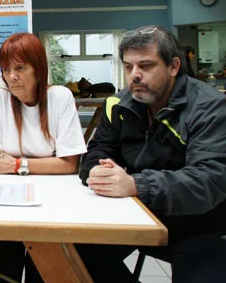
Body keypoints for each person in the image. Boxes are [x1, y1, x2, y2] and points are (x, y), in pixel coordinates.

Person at [78, 26, 226, 282]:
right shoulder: (119, 103)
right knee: (72, 251)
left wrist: (136, 185)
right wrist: (97, 171)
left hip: (200, 224)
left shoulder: (210, 107)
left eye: (146, 66)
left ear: (173, 66)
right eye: (128, 67)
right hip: (138, 214)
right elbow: (98, 150)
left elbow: (208, 179)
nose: (135, 75)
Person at [0, 32, 87, 283]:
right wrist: (47, 162)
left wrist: (15, 163)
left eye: (20, 68)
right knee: (6, 270)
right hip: (5, 201)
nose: (11, 77)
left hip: (51, 201)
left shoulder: (59, 97)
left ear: (38, 69)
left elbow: (70, 164)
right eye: (5, 69)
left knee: (43, 269)